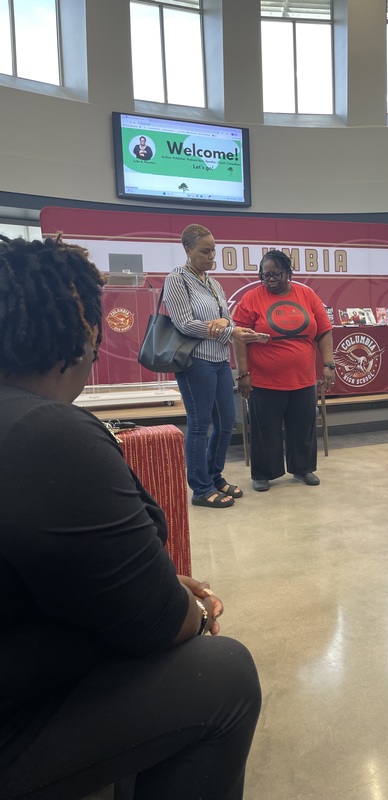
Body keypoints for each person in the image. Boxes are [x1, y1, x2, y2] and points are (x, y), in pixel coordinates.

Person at [0, 235, 261, 800]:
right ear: (83, 334)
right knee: (223, 672)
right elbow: (166, 624)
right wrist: (182, 600)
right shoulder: (49, 435)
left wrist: (153, 582)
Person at [164, 224, 261, 508]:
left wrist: (226, 324)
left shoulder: (213, 283)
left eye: (213, 251)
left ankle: (215, 476)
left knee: (226, 423)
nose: (211, 256)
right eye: (205, 251)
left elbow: (227, 319)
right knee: (199, 425)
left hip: (220, 361)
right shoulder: (177, 279)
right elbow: (184, 323)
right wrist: (224, 329)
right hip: (196, 362)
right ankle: (200, 488)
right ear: (187, 251)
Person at [232, 249, 335, 492]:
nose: (270, 280)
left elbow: (324, 330)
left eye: (276, 274)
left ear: (288, 272)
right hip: (265, 380)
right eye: (264, 275)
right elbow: (239, 338)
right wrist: (244, 373)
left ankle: (302, 469)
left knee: (303, 427)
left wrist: (328, 365)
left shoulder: (307, 294)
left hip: (303, 379)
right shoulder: (251, 299)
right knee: (264, 429)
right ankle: (263, 474)